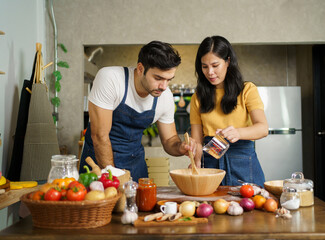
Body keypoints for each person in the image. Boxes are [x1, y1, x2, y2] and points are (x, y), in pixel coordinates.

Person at [80, 41, 197, 182]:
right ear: (140, 69)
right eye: (158, 78)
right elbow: (100, 136)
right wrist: (113, 177)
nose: (164, 86)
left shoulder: (165, 97)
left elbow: (169, 140)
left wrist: (180, 147)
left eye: (169, 80)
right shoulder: (111, 78)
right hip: (98, 164)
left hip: (135, 165)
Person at [190, 36, 268, 187]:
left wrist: (238, 133)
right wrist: (197, 161)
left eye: (215, 65)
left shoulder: (247, 90)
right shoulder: (198, 97)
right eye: (204, 66)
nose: (210, 72)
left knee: (251, 206)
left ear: (228, 61)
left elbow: (263, 128)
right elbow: (197, 141)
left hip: (243, 161)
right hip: (211, 163)